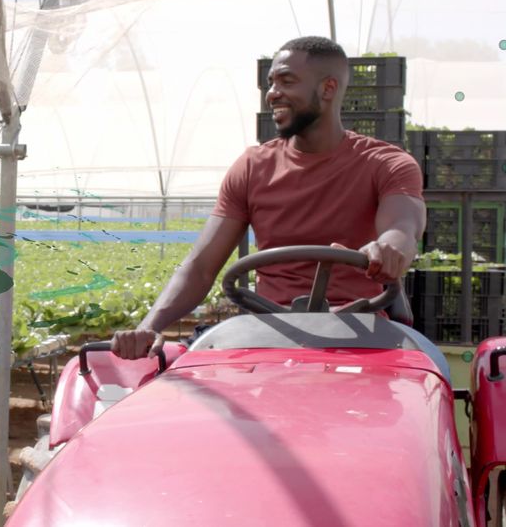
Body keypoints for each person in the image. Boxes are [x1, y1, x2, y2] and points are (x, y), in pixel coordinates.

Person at [112, 36, 433, 365]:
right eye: (271, 83)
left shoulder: (386, 163)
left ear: (328, 88)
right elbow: (199, 268)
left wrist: (389, 248)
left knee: (429, 369)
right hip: (267, 332)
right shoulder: (253, 167)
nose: (273, 93)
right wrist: (147, 327)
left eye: (286, 81)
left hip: (362, 335)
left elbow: (402, 226)